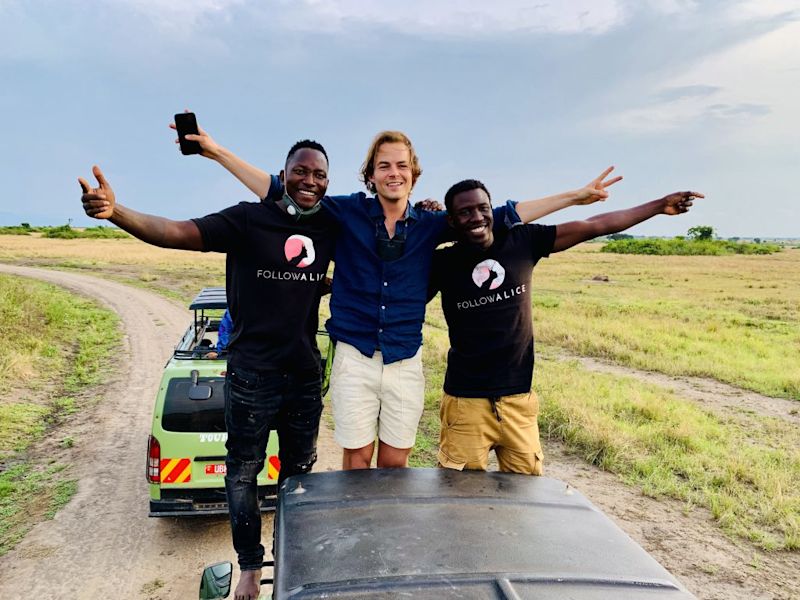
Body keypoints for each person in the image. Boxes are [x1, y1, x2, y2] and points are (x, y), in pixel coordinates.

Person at [175, 119, 621, 469]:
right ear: (370, 174)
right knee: (356, 457)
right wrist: (216, 152)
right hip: (354, 356)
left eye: (402, 165)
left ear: (414, 173)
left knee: (395, 460)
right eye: (384, 165)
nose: (394, 173)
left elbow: (506, 214)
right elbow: (277, 187)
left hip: (405, 360)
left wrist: (575, 196)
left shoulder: (432, 224)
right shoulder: (345, 212)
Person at [79, 140, 337, 600]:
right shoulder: (246, 219)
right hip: (251, 376)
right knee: (242, 473)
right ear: (283, 174)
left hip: (302, 376)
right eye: (301, 172)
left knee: (299, 475)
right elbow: (174, 231)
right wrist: (116, 213)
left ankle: (296, 556)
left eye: (319, 175)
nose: (310, 182)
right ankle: (251, 567)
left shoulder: (328, 224)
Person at [429, 179, 703, 474]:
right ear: (452, 221)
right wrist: (425, 222)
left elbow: (594, 225)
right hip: (465, 403)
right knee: (459, 503)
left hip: (519, 402)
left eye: (483, 208)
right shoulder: (442, 262)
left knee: (524, 497)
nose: (477, 217)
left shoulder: (522, 241)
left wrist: (658, 206)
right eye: (465, 212)